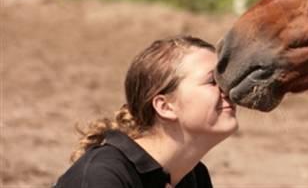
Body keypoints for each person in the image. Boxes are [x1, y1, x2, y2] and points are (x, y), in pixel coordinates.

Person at [53, 35, 238, 187]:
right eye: (212, 81)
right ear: (165, 106)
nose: (227, 90)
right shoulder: (101, 175)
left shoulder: (194, 177)